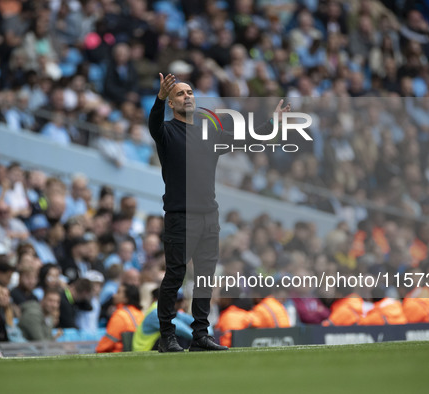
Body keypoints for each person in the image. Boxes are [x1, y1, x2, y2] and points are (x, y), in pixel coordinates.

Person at [149, 72, 290, 352]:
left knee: (204, 276)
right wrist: (160, 97)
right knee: (175, 277)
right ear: (171, 103)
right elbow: (153, 122)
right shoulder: (165, 132)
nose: (187, 96)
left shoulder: (208, 132)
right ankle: (167, 336)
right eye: (180, 93)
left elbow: (245, 139)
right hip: (180, 216)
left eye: (190, 92)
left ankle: (201, 335)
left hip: (209, 217)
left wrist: (272, 124)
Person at [96, 284, 144, 353]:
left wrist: (98, 350)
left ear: (126, 298)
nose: (114, 295)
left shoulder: (120, 315)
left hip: (119, 355)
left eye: (118, 292)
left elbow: (108, 341)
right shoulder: (140, 313)